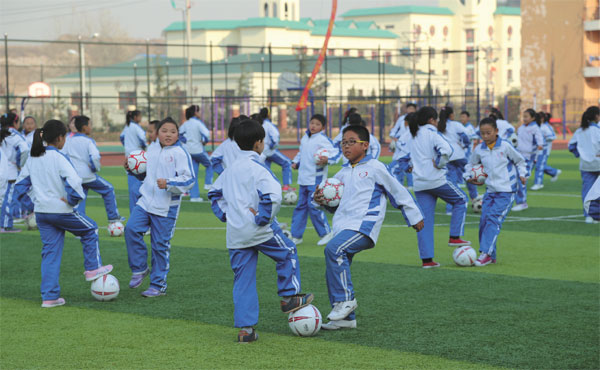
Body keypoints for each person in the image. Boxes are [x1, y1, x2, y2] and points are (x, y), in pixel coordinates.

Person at [207, 119, 314, 343]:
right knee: (288, 252)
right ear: (258, 143)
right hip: (259, 230)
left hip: (236, 234)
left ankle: (246, 330)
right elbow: (273, 196)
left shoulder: (230, 170)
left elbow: (214, 194)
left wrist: (225, 215)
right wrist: (263, 217)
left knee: (243, 281)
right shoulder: (259, 168)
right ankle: (289, 297)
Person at [314, 125, 423, 330]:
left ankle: (346, 300)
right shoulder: (341, 174)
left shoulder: (375, 167)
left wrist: (414, 216)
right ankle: (346, 319)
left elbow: (397, 192)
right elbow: (334, 205)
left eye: (351, 142)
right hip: (343, 229)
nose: (346, 146)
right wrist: (320, 200)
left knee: (334, 250)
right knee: (335, 266)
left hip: (364, 226)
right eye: (343, 142)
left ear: (365, 146)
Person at [13, 119, 113, 308]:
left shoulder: (33, 158)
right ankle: (92, 268)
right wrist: (72, 200)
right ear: (60, 138)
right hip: (61, 211)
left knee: (50, 254)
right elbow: (74, 183)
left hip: (42, 213)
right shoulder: (60, 157)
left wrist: (33, 203)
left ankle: (50, 297)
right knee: (90, 229)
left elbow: (19, 187)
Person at [124, 117, 195, 297]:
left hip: (166, 206)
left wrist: (169, 183)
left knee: (159, 245)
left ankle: (157, 284)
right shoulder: (152, 149)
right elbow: (147, 177)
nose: (168, 134)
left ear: (178, 134)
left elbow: (189, 180)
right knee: (131, 229)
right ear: (157, 133)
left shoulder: (180, 152)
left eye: (172, 131)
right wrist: (133, 169)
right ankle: (140, 268)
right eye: (164, 130)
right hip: (145, 201)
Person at [407, 107, 470, 268]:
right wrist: (440, 163)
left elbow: (404, 155)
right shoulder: (432, 133)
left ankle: (427, 260)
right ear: (431, 120)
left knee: (424, 222)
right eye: (435, 120)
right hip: (436, 180)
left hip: (419, 184)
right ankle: (455, 236)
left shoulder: (412, 134)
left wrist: (410, 165)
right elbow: (447, 150)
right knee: (461, 199)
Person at [465, 118, 527, 266]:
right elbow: (471, 164)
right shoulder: (480, 149)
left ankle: (485, 253)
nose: (485, 136)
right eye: (482, 133)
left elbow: (520, 160)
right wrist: (468, 176)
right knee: (484, 221)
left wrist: (523, 174)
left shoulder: (505, 146)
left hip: (507, 191)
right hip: (490, 191)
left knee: (493, 219)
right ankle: (491, 255)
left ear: (496, 131)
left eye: (488, 133)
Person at [63, 116, 124, 225]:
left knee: (81, 199)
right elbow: (95, 157)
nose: (91, 128)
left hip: (75, 176)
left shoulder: (68, 140)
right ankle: (113, 218)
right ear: (84, 127)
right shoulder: (89, 141)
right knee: (108, 189)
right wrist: (95, 168)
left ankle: (80, 226)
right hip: (88, 175)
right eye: (90, 125)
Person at [290, 114, 337, 246]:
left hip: (316, 179)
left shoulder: (323, 139)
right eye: (312, 123)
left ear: (323, 127)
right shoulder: (305, 138)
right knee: (300, 207)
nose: (313, 126)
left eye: (317, 124)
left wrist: (329, 159)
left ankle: (326, 233)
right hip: (303, 179)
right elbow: (301, 153)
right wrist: (295, 162)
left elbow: (336, 152)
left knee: (314, 206)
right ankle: (296, 236)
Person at [568, 106, 600, 223]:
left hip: (585, 165)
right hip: (598, 163)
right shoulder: (597, 130)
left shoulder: (579, 131)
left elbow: (571, 146)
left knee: (587, 190)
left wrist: (581, 154)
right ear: (597, 116)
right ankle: (597, 214)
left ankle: (589, 215)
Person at [1, 113, 31, 233]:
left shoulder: (2, 132)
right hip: (10, 171)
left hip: (2, 167)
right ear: (15, 122)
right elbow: (24, 149)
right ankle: (6, 225)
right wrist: (20, 164)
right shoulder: (15, 135)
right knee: (7, 199)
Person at [438, 106, 471, 215]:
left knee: (452, 182)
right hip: (459, 154)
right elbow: (466, 137)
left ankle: (450, 208)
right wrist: (465, 145)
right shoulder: (456, 125)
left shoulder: (439, 125)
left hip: (447, 156)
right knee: (471, 174)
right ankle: (475, 197)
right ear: (451, 115)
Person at [180, 105, 212, 202]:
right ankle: (208, 184)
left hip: (188, 151)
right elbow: (207, 134)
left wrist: (185, 141)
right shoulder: (198, 123)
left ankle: (194, 196)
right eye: (199, 111)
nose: (200, 113)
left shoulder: (185, 124)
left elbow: (179, 134)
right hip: (198, 150)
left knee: (194, 174)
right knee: (210, 164)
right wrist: (205, 141)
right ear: (195, 113)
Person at [513, 109, 544, 211]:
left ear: (533, 118)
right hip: (519, 157)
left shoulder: (535, 128)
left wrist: (539, 145)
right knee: (516, 179)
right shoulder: (521, 128)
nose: (524, 118)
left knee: (522, 179)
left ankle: (522, 202)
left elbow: (540, 141)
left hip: (529, 158)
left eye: (526, 116)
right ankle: (518, 201)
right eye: (523, 116)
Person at [258, 108, 295, 192]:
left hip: (260, 151)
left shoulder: (258, 123)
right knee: (287, 163)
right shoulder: (268, 124)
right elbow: (275, 136)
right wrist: (273, 145)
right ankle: (286, 186)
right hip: (268, 150)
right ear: (268, 115)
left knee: (266, 170)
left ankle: (265, 188)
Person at [120, 110, 146, 213]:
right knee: (139, 187)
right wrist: (144, 148)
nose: (141, 118)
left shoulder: (127, 126)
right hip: (138, 157)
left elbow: (121, 137)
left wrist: (127, 145)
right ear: (135, 117)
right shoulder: (136, 127)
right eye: (140, 116)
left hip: (129, 155)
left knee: (132, 187)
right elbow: (142, 139)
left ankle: (133, 212)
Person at [531, 112, 561, 190]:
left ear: (542, 118)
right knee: (538, 165)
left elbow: (553, 136)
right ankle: (554, 172)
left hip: (544, 150)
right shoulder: (536, 126)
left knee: (539, 166)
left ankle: (538, 183)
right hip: (536, 150)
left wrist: (543, 138)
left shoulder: (545, 127)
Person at [459, 110, 480, 202]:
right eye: (461, 116)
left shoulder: (469, 128)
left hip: (468, 155)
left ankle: (474, 196)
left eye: (464, 117)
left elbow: (474, 140)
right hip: (462, 155)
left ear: (468, 118)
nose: (462, 118)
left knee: (469, 174)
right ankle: (474, 195)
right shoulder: (461, 127)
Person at [389, 113, 414, 189]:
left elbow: (402, 145)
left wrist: (396, 142)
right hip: (408, 158)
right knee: (405, 171)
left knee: (391, 171)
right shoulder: (411, 132)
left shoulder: (408, 133)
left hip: (402, 158)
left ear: (406, 122)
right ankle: (409, 186)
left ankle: (406, 187)